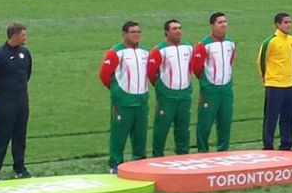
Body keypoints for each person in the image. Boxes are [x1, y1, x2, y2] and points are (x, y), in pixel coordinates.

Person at [0, 23, 33, 181]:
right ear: (14, 35)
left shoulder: (25, 53)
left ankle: (19, 167)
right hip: (5, 103)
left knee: (20, 135)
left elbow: (27, 74)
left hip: (22, 101)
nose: (25, 37)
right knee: (1, 136)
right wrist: (0, 97)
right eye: (23, 35)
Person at [99, 21, 150, 174]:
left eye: (138, 32)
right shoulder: (115, 52)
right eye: (133, 32)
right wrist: (117, 91)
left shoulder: (145, 52)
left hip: (141, 101)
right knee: (119, 135)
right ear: (125, 34)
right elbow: (104, 75)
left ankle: (140, 162)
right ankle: (115, 164)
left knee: (140, 135)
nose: (136, 34)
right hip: (123, 102)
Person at [147, 19, 193, 157]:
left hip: (184, 94)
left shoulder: (189, 48)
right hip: (167, 95)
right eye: (174, 28)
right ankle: (157, 155)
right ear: (166, 32)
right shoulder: (159, 50)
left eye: (179, 28)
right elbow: (151, 72)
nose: (178, 31)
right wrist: (162, 88)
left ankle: (183, 154)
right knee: (162, 127)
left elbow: (191, 68)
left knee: (183, 128)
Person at [192, 12, 236, 153]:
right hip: (210, 89)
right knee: (205, 123)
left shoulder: (231, 43)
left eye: (225, 21)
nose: (223, 24)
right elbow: (197, 67)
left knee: (225, 122)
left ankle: (223, 150)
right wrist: (207, 82)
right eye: (220, 22)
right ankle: (203, 151)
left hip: (226, 89)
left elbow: (230, 62)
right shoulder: (204, 45)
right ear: (212, 25)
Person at [257, 13, 292, 150]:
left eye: (290, 22)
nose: (288, 25)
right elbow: (261, 62)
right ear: (278, 25)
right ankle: (268, 144)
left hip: (289, 84)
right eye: (285, 22)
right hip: (274, 85)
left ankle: (286, 143)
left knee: (288, 116)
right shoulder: (271, 42)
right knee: (271, 117)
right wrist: (266, 79)